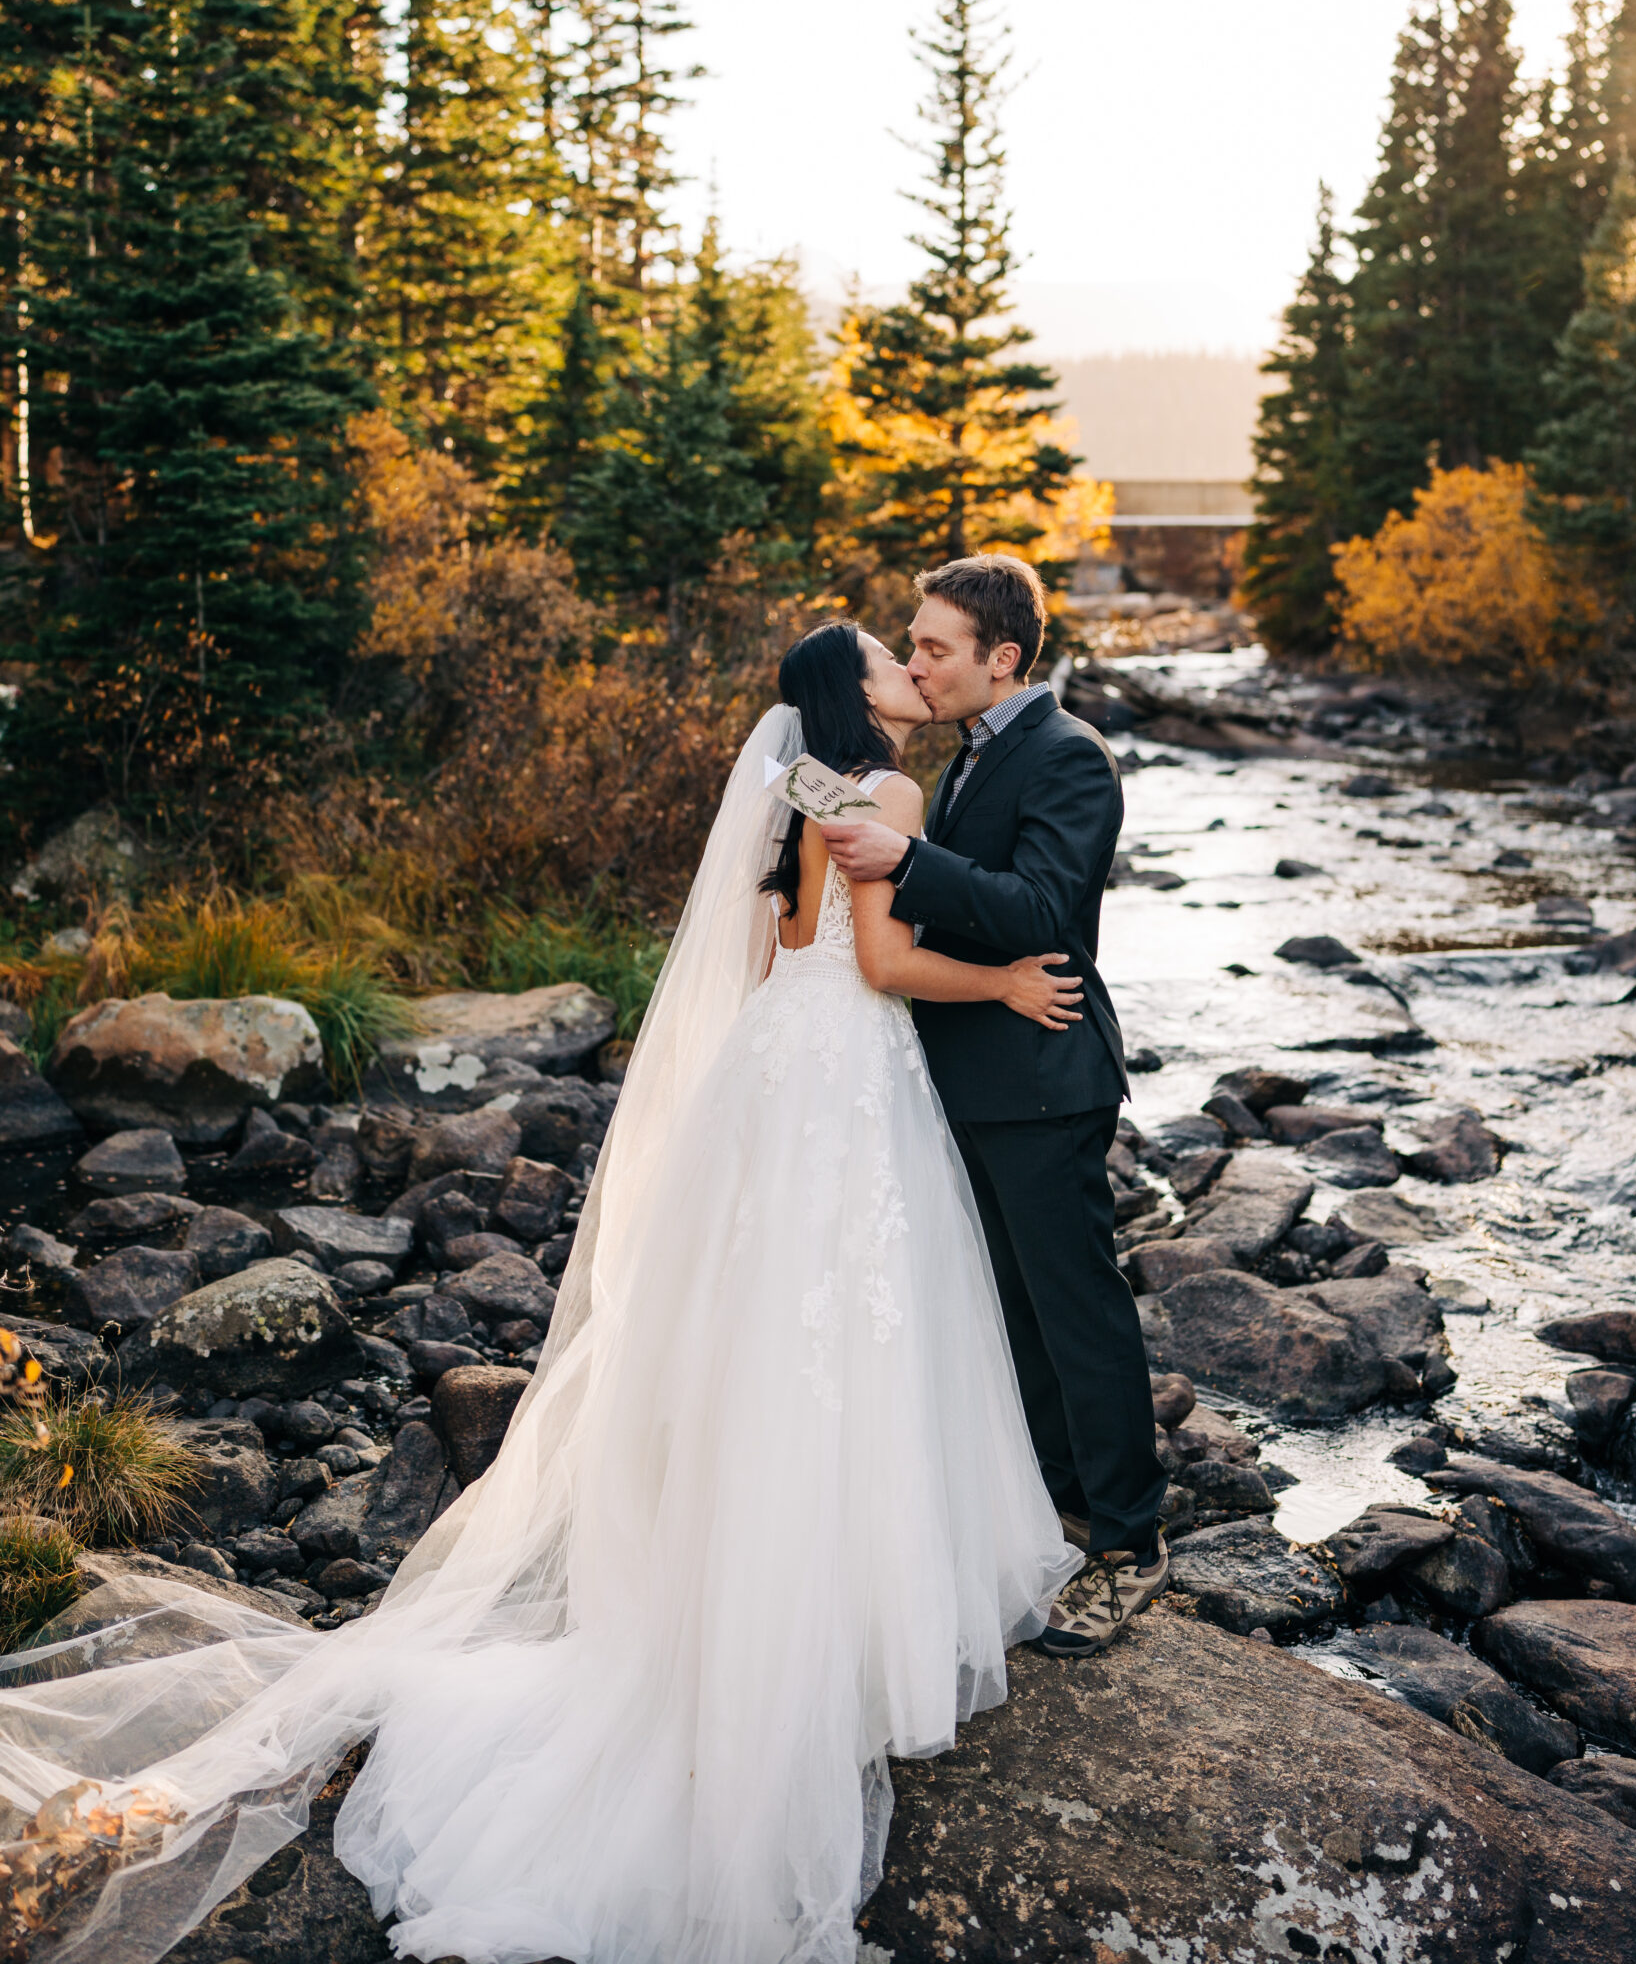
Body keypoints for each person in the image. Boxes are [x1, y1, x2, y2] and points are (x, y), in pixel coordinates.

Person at [0, 624, 1085, 1964]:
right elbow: (872, 966)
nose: (910, 673)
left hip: (772, 1081)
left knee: (763, 1341)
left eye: (920, 654)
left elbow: (772, 955)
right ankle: (835, 1625)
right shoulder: (890, 794)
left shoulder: (797, 788)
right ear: (852, 693)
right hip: (847, 1076)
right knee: (852, 1335)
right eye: (890, 659)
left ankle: (728, 1606)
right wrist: (1002, 981)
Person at [820, 553, 1171, 1659]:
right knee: (1010, 1312)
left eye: (933, 645)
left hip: (1040, 1073)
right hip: (961, 1076)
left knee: (1077, 1310)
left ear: (1001, 658)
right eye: (909, 645)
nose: (918, 660)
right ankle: (1060, 1504)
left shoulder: (1069, 757)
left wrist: (909, 860)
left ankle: (1131, 1543)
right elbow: (821, 816)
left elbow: (1042, 912)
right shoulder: (964, 755)